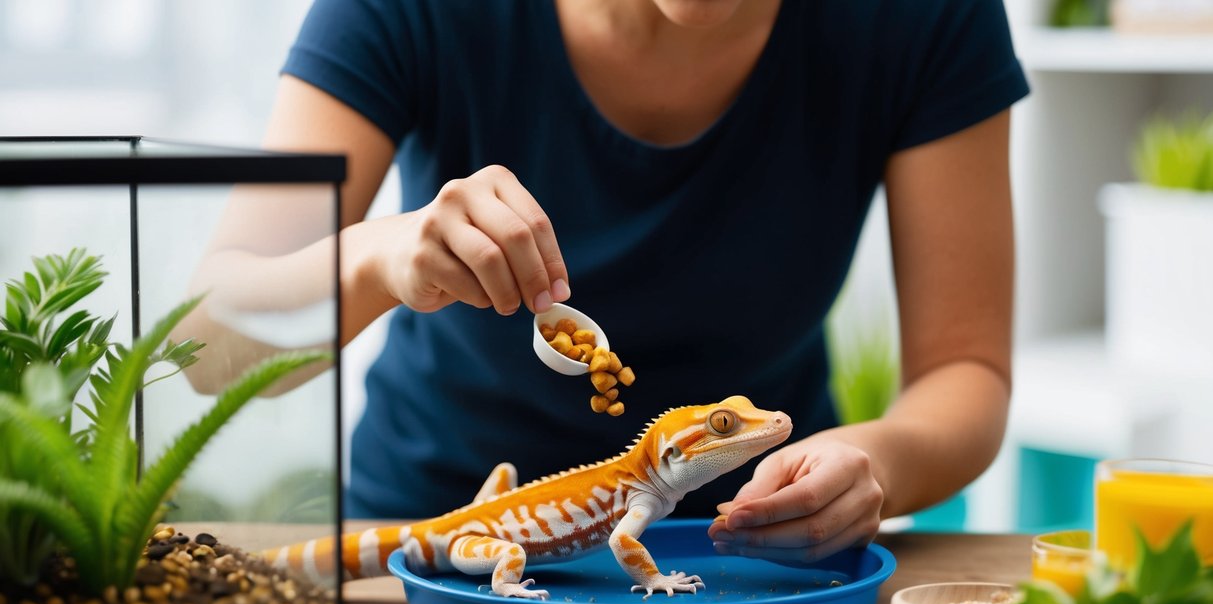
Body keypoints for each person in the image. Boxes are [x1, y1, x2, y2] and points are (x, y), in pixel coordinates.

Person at [230, 0, 1029, 562]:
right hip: (429, 553)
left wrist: (872, 463)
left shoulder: (926, 17)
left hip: (753, 563)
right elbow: (207, 349)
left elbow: (966, 371)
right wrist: (376, 257)